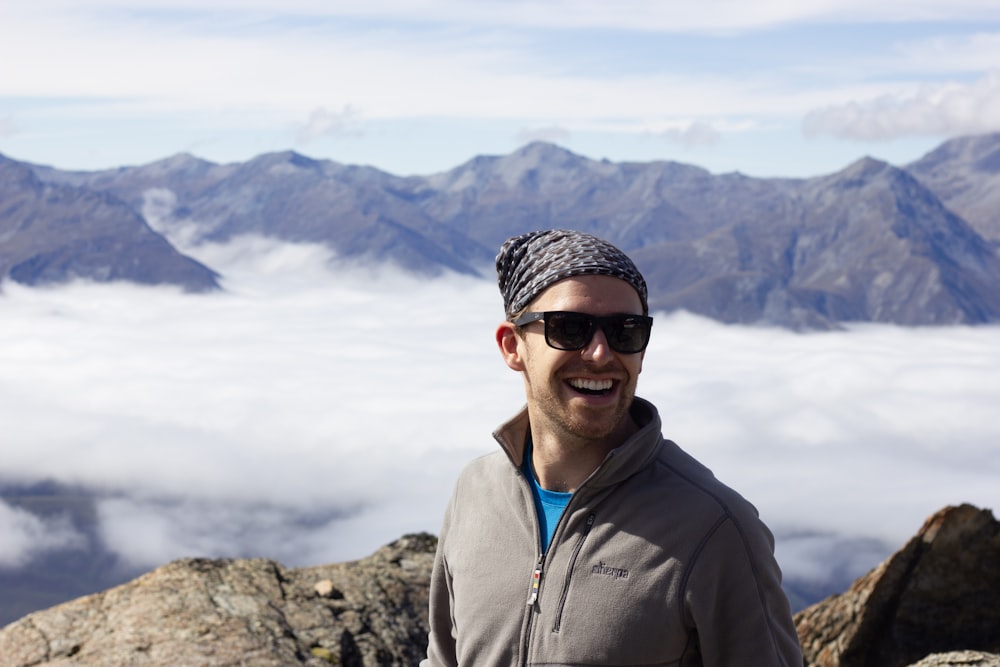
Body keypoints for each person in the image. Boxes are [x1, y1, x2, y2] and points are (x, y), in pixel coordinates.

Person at [423, 229, 802, 666]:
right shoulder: (475, 492)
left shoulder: (715, 528)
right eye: (569, 329)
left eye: (625, 330)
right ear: (513, 346)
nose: (601, 353)